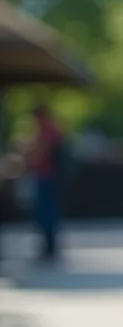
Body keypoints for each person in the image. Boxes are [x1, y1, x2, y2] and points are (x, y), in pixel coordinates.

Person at [22, 104, 66, 261]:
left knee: (46, 213)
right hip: (46, 177)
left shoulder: (48, 131)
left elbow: (41, 153)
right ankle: (48, 247)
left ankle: (50, 248)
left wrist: (27, 161)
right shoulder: (49, 130)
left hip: (47, 177)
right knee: (46, 213)